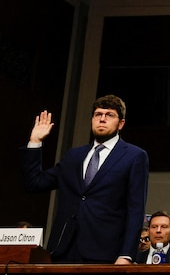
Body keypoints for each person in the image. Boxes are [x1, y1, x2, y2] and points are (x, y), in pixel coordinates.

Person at [19, 96, 149, 264]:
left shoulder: (134, 156)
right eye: (97, 114)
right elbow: (34, 183)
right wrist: (35, 141)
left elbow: (136, 209)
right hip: (64, 249)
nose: (102, 119)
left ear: (121, 123)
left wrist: (127, 254)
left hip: (106, 252)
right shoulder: (74, 155)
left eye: (109, 115)